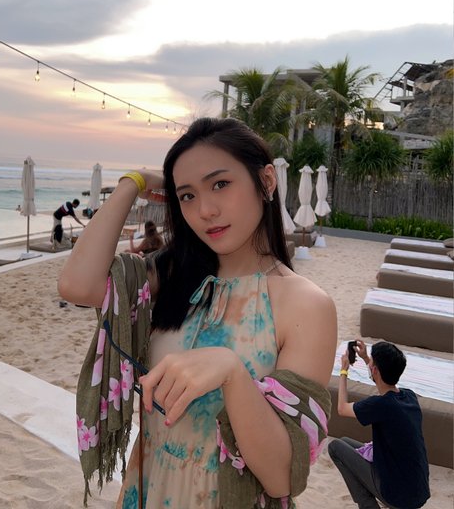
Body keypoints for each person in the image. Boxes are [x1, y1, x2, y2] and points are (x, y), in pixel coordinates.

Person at [58, 117, 337, 509]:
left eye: (220, 184)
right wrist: (134, 182)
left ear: (266, 182)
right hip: (147, 489)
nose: (205, 210)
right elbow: (77, 285)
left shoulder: (306, 305)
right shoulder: (176, 273)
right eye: (187, 195)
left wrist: (232, 373)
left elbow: (280, 476)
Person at [328, 340, 430, 509]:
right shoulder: (409, 396)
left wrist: (344, 370)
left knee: (335, 447)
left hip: (399, 498)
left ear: (375, 370)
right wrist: (366, 358)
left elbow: (342, 408)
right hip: (418, 490)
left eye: (372, 364)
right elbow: (384, 381)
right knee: (345, 442)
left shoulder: (380, 405)